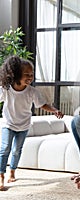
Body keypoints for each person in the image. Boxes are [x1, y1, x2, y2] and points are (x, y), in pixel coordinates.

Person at [0, 55, 64, 191]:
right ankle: (1, 177)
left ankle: (12, 170)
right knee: (5, 149)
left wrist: (54, 110)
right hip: (8, 124)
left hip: (23, 125)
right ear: (17, 75)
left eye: (32, 74)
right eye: (26, 74)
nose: (30, 77)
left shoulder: (32, 91)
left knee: (16, 151)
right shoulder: (6, 90)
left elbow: (42, 105)